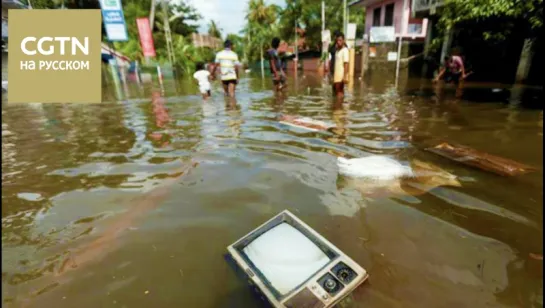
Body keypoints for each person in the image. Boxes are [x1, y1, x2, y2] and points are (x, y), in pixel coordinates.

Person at [332, 32, 349, 100]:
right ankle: (338, 108)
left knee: (339, 94)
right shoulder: (338, 51)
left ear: (343, 41)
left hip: (340, 77)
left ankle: (339, 109)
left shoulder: (345, 50)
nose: (339, 42)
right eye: (337, 40)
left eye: (340, 40)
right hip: (336, 77)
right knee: (336, 93)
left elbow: (346, 63)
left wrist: (344, 76)